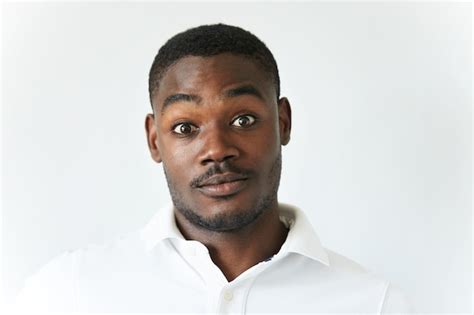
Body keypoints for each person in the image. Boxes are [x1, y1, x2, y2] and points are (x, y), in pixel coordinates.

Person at [14, 23, 411, 313]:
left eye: (243, 120)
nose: (217, 150)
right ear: (155, 140)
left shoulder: (375, 304)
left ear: (283, 121)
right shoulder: (66, 293)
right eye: (186, 127)